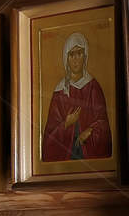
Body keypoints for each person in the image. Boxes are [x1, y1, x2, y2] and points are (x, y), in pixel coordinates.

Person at [40, 32, 111, 162]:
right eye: (71, 54)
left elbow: (103, 123)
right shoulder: (60, 91)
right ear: (66, 58)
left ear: (85, 56)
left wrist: (89, 131)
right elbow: (49, 138)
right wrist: (66, 123)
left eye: (79, 53)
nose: (76, 59)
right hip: (66, 154)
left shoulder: (93, 88)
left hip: (89, 153)